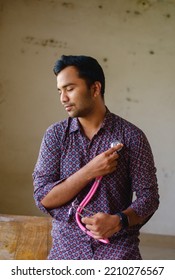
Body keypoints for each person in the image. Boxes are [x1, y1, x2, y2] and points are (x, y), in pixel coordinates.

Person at [33, 55, 159, 260]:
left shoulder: (132, 136)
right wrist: (89, 171)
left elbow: (149, 198)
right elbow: (43, 198)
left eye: (70, 88)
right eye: (60, 90)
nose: (63, 98)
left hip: (117, 250)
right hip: (66, 251)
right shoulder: (55, 136)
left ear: (95, 89)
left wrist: (118, 221)